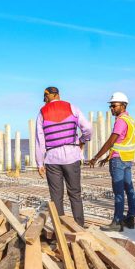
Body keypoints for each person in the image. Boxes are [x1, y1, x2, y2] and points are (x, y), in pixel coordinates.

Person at [35, 86, 92, 226]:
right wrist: (83, 140)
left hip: (52, 159)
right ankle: (79, 226)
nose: (45, 101)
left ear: (48, 96)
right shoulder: (72, 107)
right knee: (75, 194)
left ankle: (60, 228)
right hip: (72, 156)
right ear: (58, 95)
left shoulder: (42, 112)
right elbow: (88, 128)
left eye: (45, 98)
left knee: (56, 197)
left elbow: (39, 140)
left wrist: (39, 163)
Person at [89, 92, 135, 232]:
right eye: (111, 106)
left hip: (119, 161)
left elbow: (111, 141)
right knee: (129, 189)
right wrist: (107, 157)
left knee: (118, 192)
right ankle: (130, 218)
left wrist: (96, 157)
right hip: (127, 159)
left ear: (123, 105)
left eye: (114, 105)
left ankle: (117, 222)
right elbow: (122, 142)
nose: (111, 108)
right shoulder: (130, 120)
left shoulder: (121, 121)